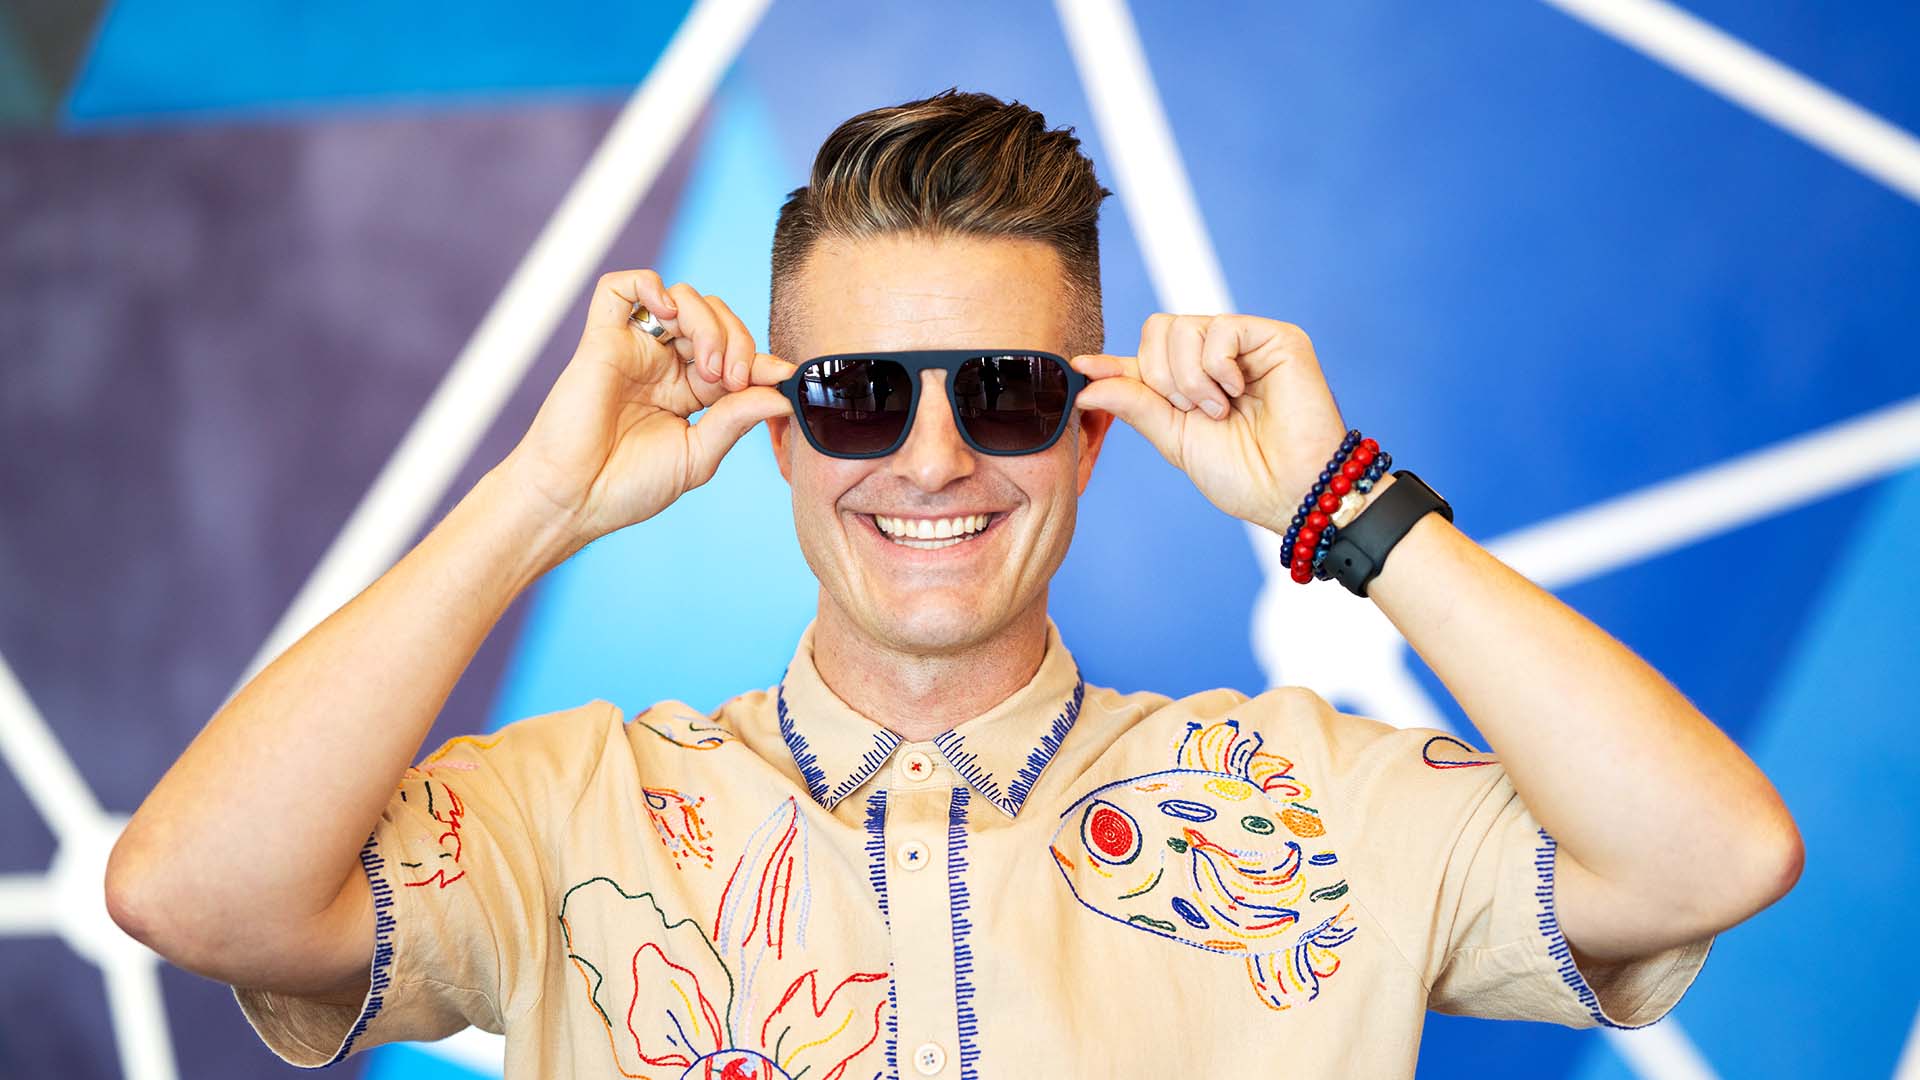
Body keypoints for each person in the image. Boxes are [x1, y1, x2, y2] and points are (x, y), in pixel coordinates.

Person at [104, 89, 1801, 1079]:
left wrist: (1340, 504)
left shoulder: (1308, 807)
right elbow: (200, 895)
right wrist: (542, 499)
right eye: (854, 395)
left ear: (1089, 433)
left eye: (1002, 391)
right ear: (770, 430)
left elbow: (1715, 854)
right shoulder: (574, 814)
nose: (930, 461)